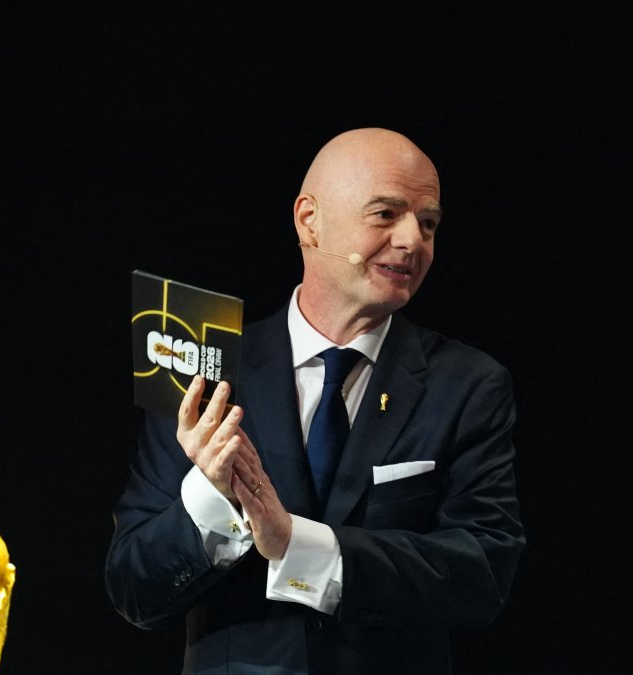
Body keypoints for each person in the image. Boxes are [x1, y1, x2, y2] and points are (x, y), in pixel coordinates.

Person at [105, 128, 524, 674]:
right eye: (385, 214)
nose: (412, 241)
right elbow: (135, 590)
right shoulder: (204, 371)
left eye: (428, 223)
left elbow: (482, 575)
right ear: (309, 220)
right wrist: (213, 501)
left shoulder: (468, 384)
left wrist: (299, 545)